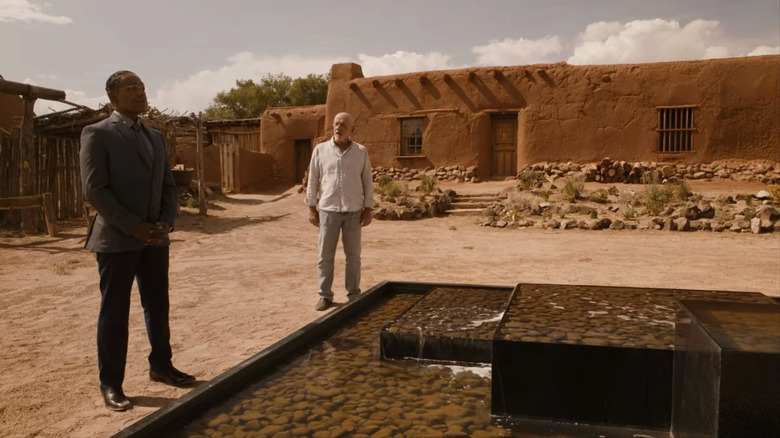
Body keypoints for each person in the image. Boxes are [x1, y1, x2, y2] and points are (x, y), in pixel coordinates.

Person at [80, 71, 195, 412]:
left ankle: (161, 364)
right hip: (117, 239)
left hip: (156, 239)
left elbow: (168, 185)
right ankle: (111, 384)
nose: (140, 92)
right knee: (114, 312)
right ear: (112, 96)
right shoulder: (98, 133)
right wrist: (134, 227)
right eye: (131, 88)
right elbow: (94, 189)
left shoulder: (155, 136)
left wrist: (166, 222)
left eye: (142, 87)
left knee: (157, 306)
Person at [306, 112, 375, 311]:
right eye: (336, 124)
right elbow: (313, 180)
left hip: (354, 211)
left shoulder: (361, 152)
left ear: (351, 129)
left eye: (343, 124)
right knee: (325, 255)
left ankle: (353, 294)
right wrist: (312, 208)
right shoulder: (320, 150)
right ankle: (325, 295)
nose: (339, 128)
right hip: (328, 211)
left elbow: (367, 181)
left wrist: (368, 208)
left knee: (353, 256)